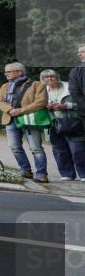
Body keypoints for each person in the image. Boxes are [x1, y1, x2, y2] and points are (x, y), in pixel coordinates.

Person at [0, 61, 49, 182]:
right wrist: (9, 110)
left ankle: (41, 174)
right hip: (10, 119)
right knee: (14, 146)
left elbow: (41, 102)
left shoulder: (37, 85)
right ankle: (25, 170)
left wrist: (20, 111)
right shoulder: (4, 86)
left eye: (9, 71)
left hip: (29, 119)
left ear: (20, 72)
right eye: (6, 72)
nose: (6, 74)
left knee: (36, 148)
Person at [41, 69, 85, 181]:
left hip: (73, 123)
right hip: (53, 124)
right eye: (46, 77)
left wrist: (67, 106)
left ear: (57, 77)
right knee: (59, 149)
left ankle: (83, 174)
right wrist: (46, 107)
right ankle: (67, 174)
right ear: (43, 79)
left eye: (52, 76)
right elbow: (37, 106)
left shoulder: (69, 87)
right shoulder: (42, 91)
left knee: (78, 150)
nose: (49, 79)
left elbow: (82, 102)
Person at [67, 44, 85, 178]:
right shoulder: (76, 71)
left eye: (83, 52)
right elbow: (75, 93)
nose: (79, 54)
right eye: (79, 52)